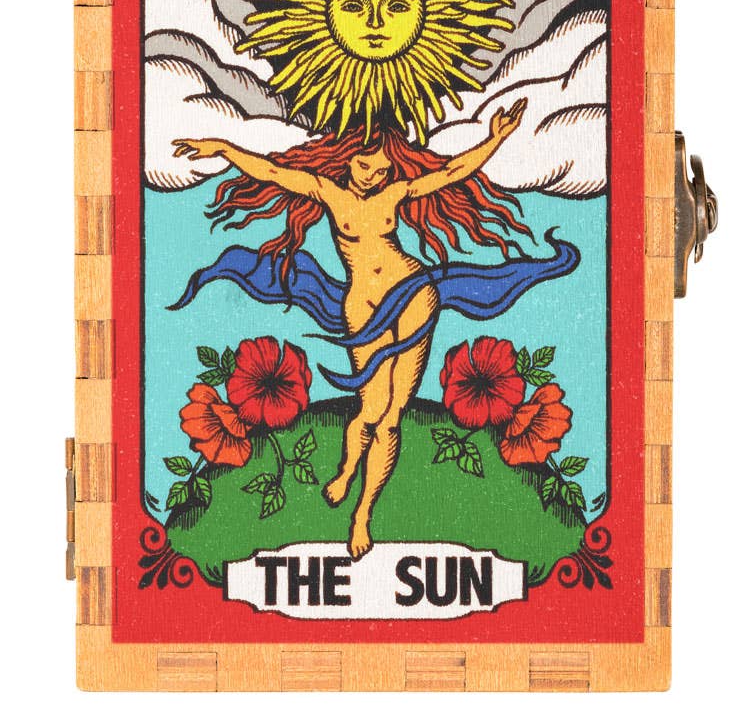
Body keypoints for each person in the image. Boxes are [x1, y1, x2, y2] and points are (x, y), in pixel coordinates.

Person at [171, 100, 527, 557]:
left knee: (392, 417)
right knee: (370, 407)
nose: (370, 176)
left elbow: (451, 172)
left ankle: (363, 515)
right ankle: (346, 469)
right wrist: (222, 147)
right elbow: (272, 172)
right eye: (363, 166)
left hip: (413, 293)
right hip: (363, 305)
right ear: (347, 158)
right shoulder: (327, 192)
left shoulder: (394, 194)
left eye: (380, 171)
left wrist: (497, 138)